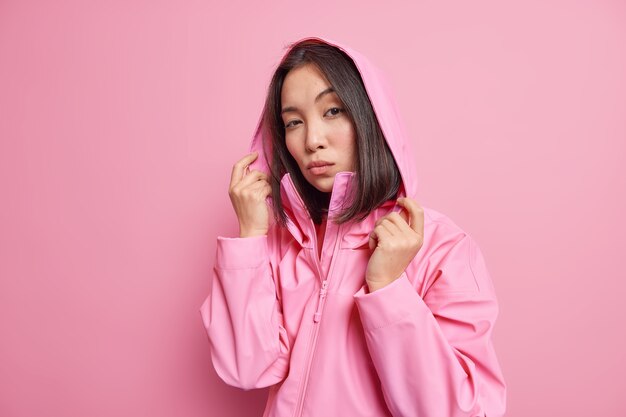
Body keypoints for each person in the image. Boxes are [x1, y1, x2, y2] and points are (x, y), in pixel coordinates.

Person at [199, 36, 507, 417]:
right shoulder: (281, 243)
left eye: (333, 111)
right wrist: (249, 239)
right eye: (294, 122)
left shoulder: (442, 247)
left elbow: (461, 411)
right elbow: (246, 370)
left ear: (370, 117)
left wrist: (388, 291)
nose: (312, 140)